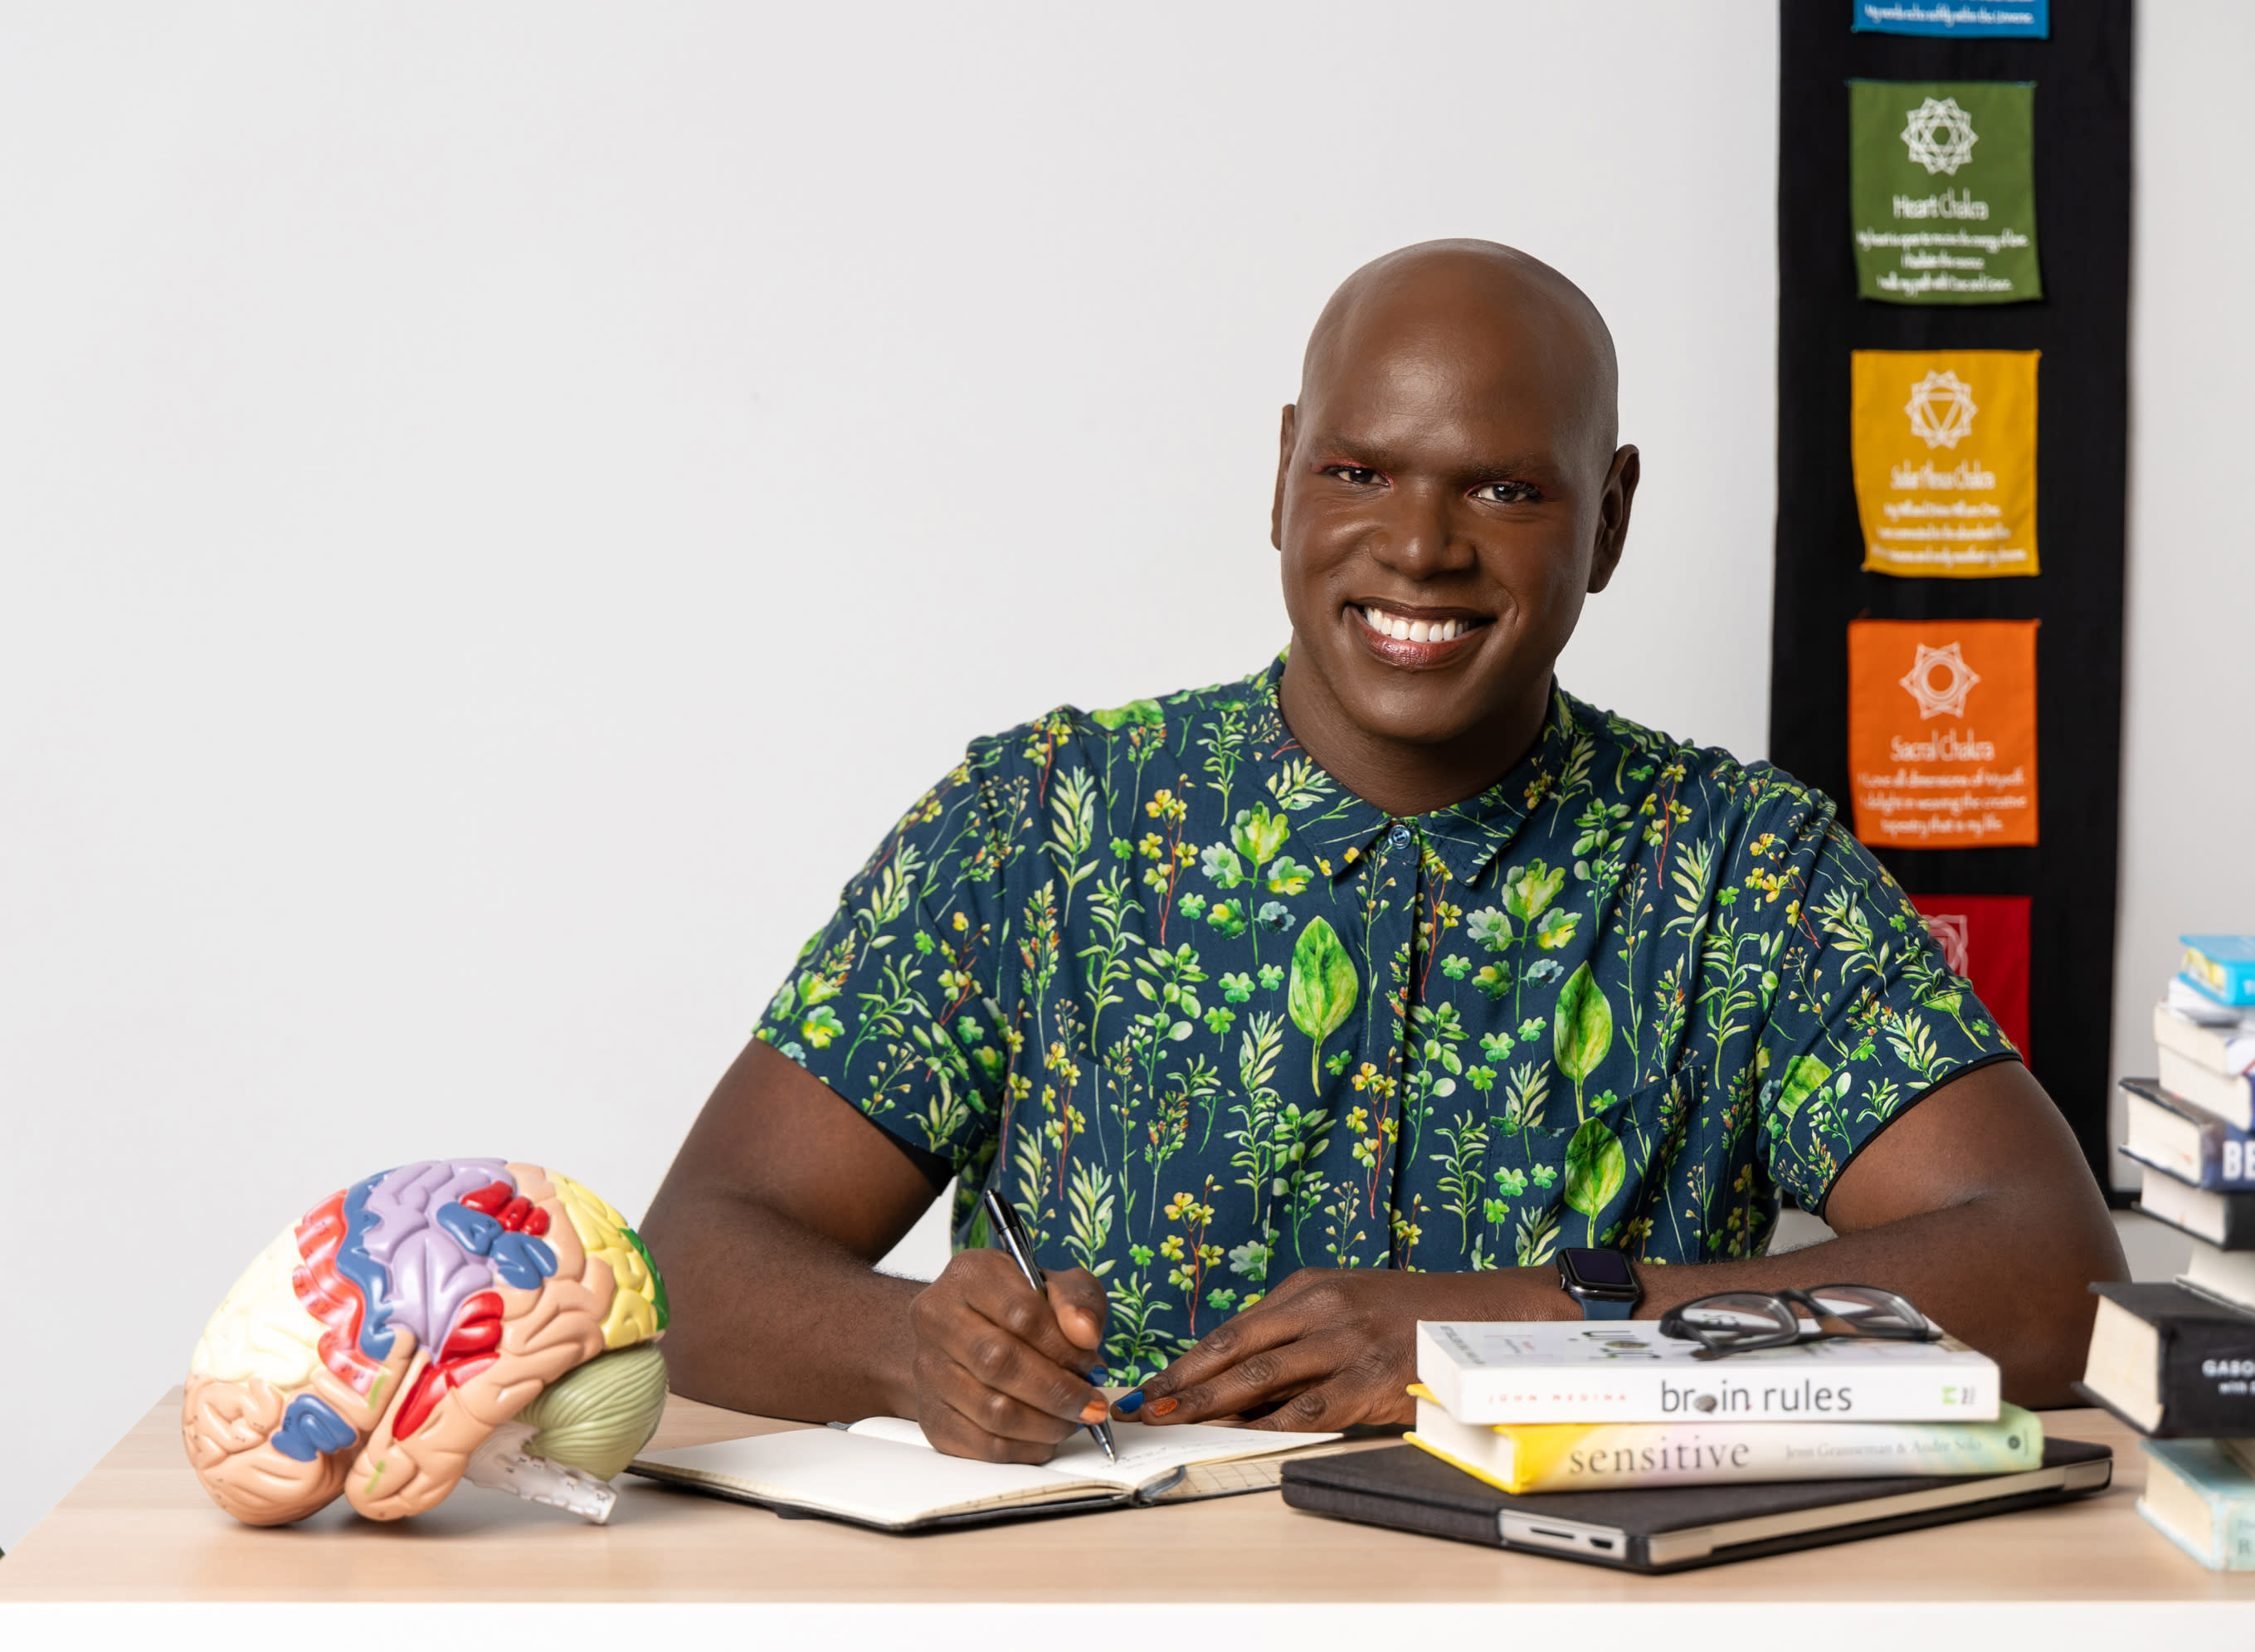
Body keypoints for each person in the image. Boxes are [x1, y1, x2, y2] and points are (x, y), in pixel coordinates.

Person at [638, 240, 2126, 1464]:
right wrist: (913, 1353)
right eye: (1360, 471)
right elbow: (701, 1252)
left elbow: (2052, 1283)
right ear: (1285, 473)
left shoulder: (1741, 871)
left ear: (1606, 520)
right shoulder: (1044, 820)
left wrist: (1538, 1330)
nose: (1419, 546)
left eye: (1504, 489)